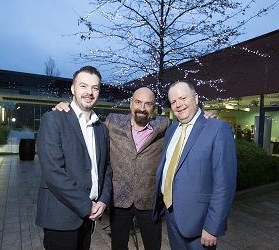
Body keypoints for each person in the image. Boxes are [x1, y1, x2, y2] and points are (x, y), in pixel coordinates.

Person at [54, 87, 216, 249]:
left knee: (153, 246)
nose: (142, 108)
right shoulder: (112, 122)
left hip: (149, 201)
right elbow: (87, 127)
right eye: (138, 102)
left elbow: (189, 124)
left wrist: (204, 115)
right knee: (118, 246)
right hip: (119, 200)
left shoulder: (164, 125)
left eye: (148, 104)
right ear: (131, 103)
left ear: (153, 107)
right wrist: (68, 108)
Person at [152, 81, 237, 249]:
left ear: (196, 98)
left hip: (200, 223)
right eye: (173, 101)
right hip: (171, 215)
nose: (178, 105)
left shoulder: (218, 128)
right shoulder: (171, 130)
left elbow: (224, 184)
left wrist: (213, 227)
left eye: (183, 98)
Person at [35, 66, 112, 250]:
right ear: (73, 89)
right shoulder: (53, 119)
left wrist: (103, 200)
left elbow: (106, 168)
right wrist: (87, 206)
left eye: (95, 88)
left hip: (89, 217)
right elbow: (53, 172)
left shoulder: (101, 128)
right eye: (83, 86)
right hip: (61, 216)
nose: (89, 92)